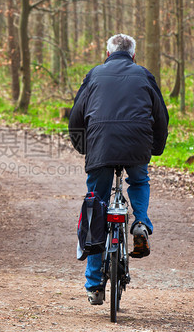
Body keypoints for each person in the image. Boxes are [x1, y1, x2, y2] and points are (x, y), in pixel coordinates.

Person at [68, 33, 169, 306]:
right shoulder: (144, 75)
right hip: (137, 144)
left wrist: (84, 148)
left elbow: (76, 116)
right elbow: (161, 116)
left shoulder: (94, 75)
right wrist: (154, 149)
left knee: (96, 208)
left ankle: (93, 286)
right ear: (133, 55)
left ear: (108, 54)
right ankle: (141, 223)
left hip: (100, 146)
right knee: (138, 181)